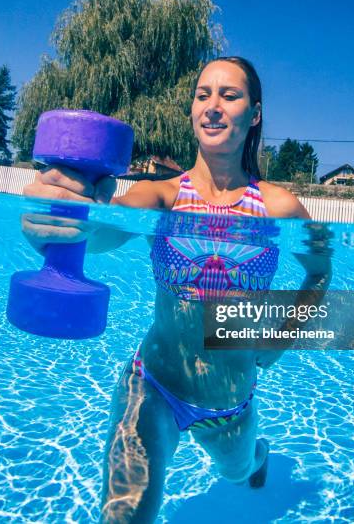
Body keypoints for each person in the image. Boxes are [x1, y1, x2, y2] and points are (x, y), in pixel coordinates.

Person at [22, 57, 331, 523]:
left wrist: (282, 338)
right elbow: (107, 228)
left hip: (230, 403)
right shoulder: (163, 196)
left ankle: (258, 457)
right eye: (203, 94)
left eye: (229, 95)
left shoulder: (277, 206)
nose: (212, 106)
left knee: (238, 471)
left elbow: (320, 272)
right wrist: (60, 220)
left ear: (255, 113)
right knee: (124, 515)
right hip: (153, 384)